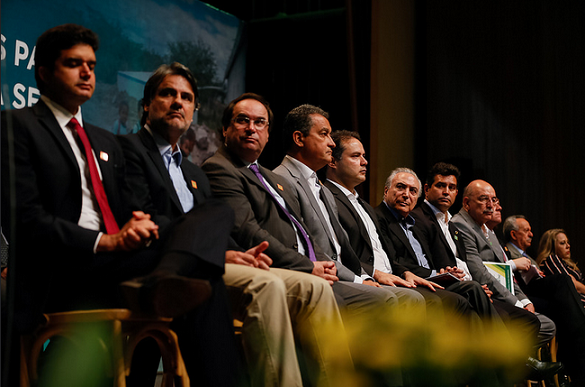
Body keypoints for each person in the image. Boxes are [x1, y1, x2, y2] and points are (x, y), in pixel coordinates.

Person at [1, 24, 239, 386]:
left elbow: (123, 207)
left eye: (92, 65)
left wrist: (137, 222)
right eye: (73, 63)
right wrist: (104, 242)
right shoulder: (15, 126)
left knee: (217, 210)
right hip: (60, 268)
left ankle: (163, 278)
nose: (87, 73)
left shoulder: (104, 140)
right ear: (45, 73)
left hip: (113, 263)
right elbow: (25, 220)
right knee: (202, 274)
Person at [118, 63, 345, 387]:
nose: (177, 102)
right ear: (146, 104)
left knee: (315, 289)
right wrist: (222, 254)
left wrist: (239, 254)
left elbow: (215, 230)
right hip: (162, 264)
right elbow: (143, 216)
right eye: (167, 94)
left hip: (216, 262)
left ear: (194, 112)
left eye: (185, 97)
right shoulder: (128, 150)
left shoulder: (193, 173)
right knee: (267, 286)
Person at [411, 162, 561, 380]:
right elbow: (469, 267)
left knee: (531, 320)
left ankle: (508, 368)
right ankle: (514, 363)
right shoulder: (428, 219)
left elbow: (466, 263)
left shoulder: (450, 223)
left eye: (451, 187)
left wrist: (520, 300)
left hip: (473, 286)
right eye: (440, 186)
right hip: (452, 287)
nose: (446, 192)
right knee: (525, 317)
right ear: (427, 190)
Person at [273, 104, 425, 309]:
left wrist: (362, 275)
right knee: (388, 299)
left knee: (414, 298)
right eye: (324, 134)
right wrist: (360, 278)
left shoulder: (320, 187)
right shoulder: (281, 179)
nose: (331, 143)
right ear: (299, 139)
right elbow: (305, 245)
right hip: (317, 274)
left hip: (344, 272)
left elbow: (343, 247)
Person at [323, 131, 472, 316]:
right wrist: (374, 274)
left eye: (364, 156)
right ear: (333, 161)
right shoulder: (326, 196)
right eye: (356, 156)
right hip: (362, 277)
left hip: (392, 276)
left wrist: (405, 273)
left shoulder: (364, 206)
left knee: (463, 296)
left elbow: (387, 255)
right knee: (434, 300)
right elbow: (340, 252)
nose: (364, 162)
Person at [375, 167, 499, 320]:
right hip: (411, 280)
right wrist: (436, 274)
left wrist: (445, 274)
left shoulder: (411, 222)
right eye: (401, 187)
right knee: (467, 295)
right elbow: (396, 261)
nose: (406, 195)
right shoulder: (380, 218)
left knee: (474, 298)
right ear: (386, 191)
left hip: (433, 278)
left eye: (413, 191)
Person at [503, 217, 585, 383]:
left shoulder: (527, 255)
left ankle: (570, 373)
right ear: (513, 234)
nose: (531, 234)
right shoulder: (508, 252)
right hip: (521, 294)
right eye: (526, 230)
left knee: (564, 314)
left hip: (537, 294)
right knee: (561, 282)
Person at [537, 229, 585, 301]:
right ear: (552, 247)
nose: (568, 246)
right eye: (562, 243)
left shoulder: (567, 264)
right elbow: (571, 283)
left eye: (567, 242)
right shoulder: (550, 259)